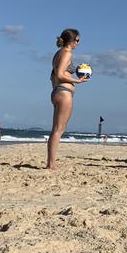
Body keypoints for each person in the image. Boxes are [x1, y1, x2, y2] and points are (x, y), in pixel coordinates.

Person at [47, 28, 88, 170]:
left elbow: (54, 75)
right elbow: (59, 74)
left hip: (57, 92)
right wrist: (78, 81)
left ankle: (51, 162)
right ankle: (51, 164)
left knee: (56, 129)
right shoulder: (67, 53)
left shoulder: (58, 53)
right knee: (59, 130)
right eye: (77, 40)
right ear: (71, 40)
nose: (78, 43)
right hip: (64, 93)